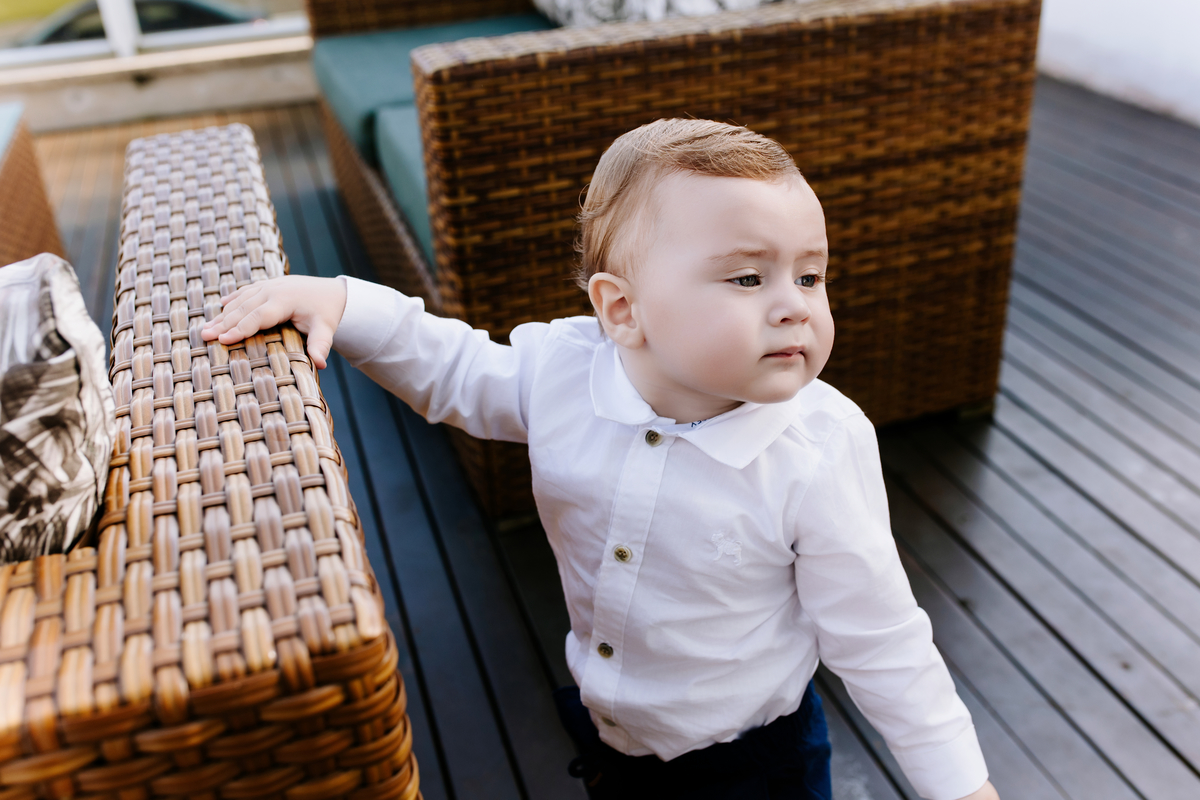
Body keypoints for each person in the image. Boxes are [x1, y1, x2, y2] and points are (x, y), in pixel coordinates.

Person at [202, 118, 999, 800]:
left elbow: (880, 640)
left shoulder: (815, 449)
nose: (795, 303)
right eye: (749, 277)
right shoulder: (565, 373)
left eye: (812, 274)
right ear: (622, 309)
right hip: (613, 733)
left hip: (752, 763)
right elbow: (457, 371)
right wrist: (344, 304)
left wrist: (962, 786)